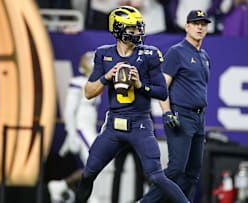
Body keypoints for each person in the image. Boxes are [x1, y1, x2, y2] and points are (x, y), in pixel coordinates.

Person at [75, 6, 190, 203]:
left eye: (138, 28)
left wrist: (140, 85)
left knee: (156, 176)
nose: (138, 33)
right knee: (88, 173)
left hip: (140, 124)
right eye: (132, 29)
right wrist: (106, 77)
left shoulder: (149, 54)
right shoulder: (104, 54)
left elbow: (162, 92)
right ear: (118, 30)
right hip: (113, 125)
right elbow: (88, 92)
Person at [140, 9, 211, 203]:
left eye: (203, 24)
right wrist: (167, 113)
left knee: (193, 172)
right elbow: (163, 85)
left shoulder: (204, 56)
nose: (199, 27)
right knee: (176, 168)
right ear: (187, 27)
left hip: (199, 118)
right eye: (195, 23)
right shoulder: (176, 52)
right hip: (181, 116)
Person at [48, 51, 102, 203]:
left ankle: (61, 186)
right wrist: (71, 133)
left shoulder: (96, 84)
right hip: (81, 129)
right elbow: (69, 110)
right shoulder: (78, 83)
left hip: (89, 130)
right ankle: (92, 197)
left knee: (95, 165)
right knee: (97, 162)